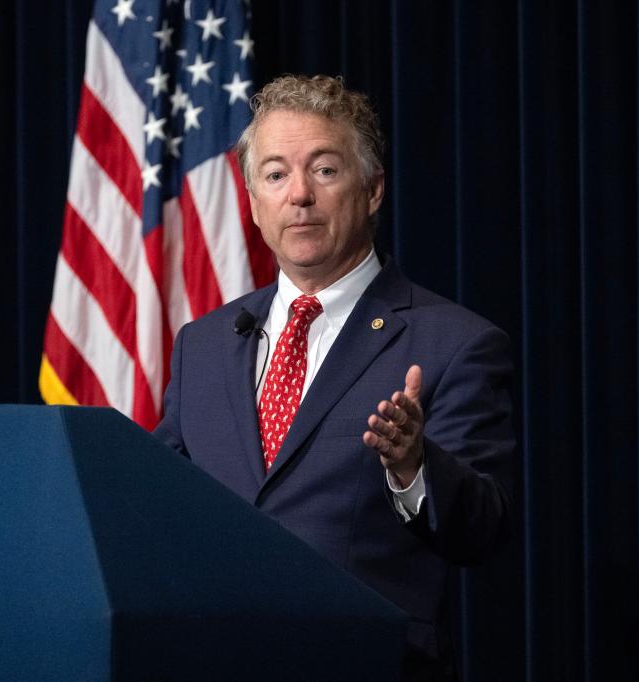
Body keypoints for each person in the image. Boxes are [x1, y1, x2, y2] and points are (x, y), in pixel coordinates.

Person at [153, 74, 514, 681]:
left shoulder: (454, 343)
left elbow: (483, 528)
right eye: (274, 174)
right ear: (251, 201)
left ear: (372, 189)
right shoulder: (204, 345)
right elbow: (155, 499)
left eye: (323, 170)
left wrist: (412, 466)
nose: (299, 195)